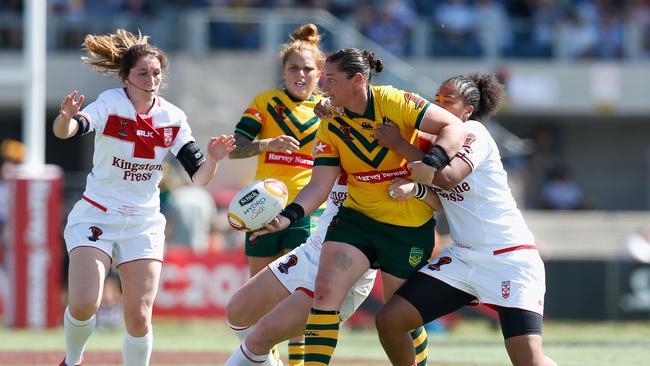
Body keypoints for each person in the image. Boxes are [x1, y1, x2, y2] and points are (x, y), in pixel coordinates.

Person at [251, 47, 466, 365]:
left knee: (398, 316)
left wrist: (431, 163)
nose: (323, 87)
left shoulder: (394, 101)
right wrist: (286, 217)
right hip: (358, 220)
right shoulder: (330, 123)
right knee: (324, 294)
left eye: (331, 80)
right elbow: (318, 186)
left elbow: (455, 127)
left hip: (407, 227)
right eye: (324, 79)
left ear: (358, 80)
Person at [52, 29, 235, 366]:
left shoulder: (173, 117)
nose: (151, 79)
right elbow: (71, 129)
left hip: (142, 221)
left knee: (138, 317)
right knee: (84, 304)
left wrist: (214, 159)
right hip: (96, 214)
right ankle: (72, 361)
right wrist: (64, 120)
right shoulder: (110, 102)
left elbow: (200, 177)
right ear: (126, 77)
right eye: (142, 73)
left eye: (156, 73)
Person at [373, 72, 557, 366]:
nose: (439, 105)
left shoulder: (474, 132)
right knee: (390, 320)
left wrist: (398, 143)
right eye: (437, 100)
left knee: (529, 362)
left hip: (509, 258)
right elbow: (440, 201)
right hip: (463, 258)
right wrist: (417, 189)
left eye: (449, 101)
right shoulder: (432, 142)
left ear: (468, 110)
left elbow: (447, 179)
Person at [227, 23, 326, 365]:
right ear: (283, 72)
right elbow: (235, 148)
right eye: (294, 68)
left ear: (320, 73)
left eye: (308, 69)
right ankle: (269, 360)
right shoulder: (266, 103)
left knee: (298, 294)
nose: (301, 74)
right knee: (260, 296)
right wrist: (267, 144)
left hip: (305, 210)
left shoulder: (329, 111)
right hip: (262, 210)